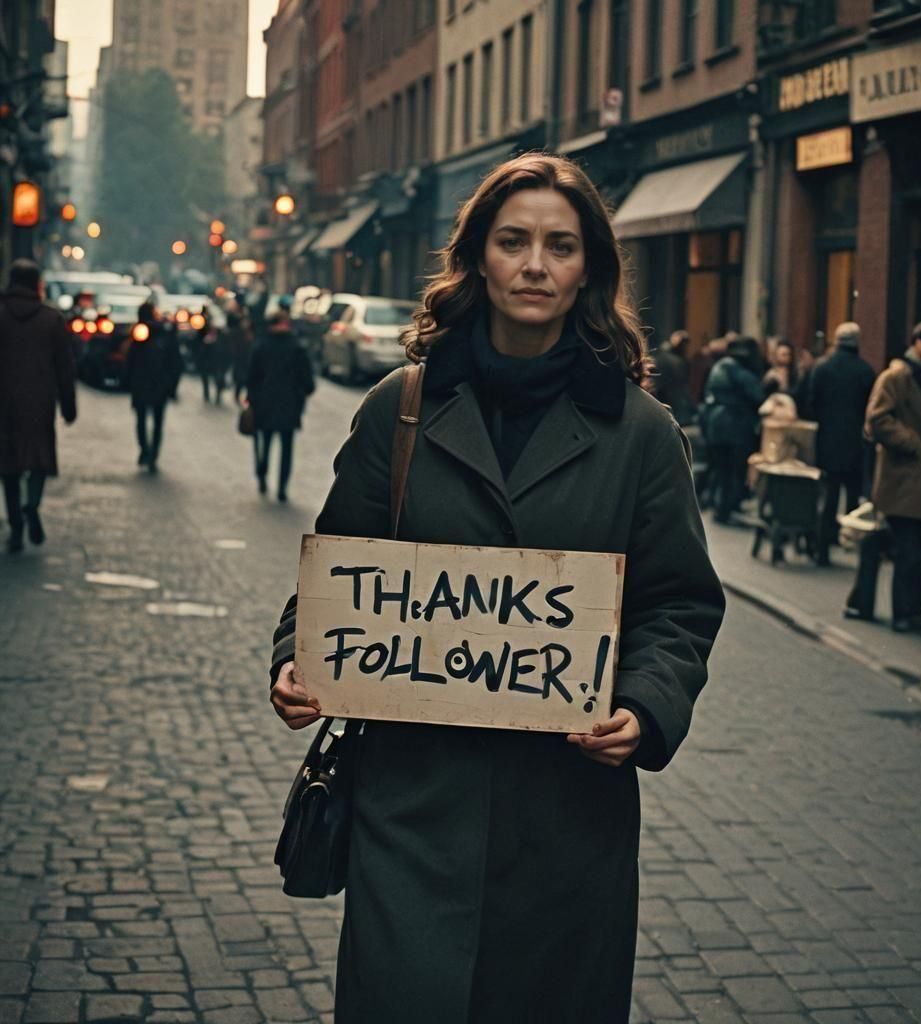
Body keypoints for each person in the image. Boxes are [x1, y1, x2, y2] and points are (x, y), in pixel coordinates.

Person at [267, 154, 725, 1024]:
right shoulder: (398, 410)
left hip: (566, 822)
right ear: (479, 257)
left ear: (589, 265)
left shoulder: (642, 435)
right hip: (412, 813)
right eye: (514, 241)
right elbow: (333, 577)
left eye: (560, 244)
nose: (536, 264)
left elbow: (679, 602)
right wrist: (298, 662)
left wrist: (647, 703)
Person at [846, 320, 921, 631]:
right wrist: (912, 443)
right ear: (917, 343)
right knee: (908, 550)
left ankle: (873, 604)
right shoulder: (898, 376)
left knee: (910, 546)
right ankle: (906, 613)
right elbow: (876, 418)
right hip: (902, 480)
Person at [0, 259, 77, 553]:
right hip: (39, 401)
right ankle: (31, 504)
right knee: (38, 460)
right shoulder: (51, 320)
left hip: (4, 403)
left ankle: (16, 524)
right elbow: (65, 367)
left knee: (9, 467)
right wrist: (68, 404)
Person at [807, 322, 876, 565]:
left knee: (829, 497)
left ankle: (823, 549)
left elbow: (811, 403)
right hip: (855, 443)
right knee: (853, 496)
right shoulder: (865, 371)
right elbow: (871, 409)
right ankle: (850, 543)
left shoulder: (822, 368)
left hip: (827, 441)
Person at [245, 309, 314, 501]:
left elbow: (251, 377)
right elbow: (308, 383)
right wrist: (301, 393)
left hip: (264, 404)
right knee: (286, 449)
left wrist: (251, 398)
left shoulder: (260, 346)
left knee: (265, 442)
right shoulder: (297, 347)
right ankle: (282, 488)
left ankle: (262, 474)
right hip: (289, 406)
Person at [701, 335, 764, 523]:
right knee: (733, 470)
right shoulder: (738, 370)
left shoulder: (720, 366)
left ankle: (719, 506)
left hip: (715, 423)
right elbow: (758, 395)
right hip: (734, 425)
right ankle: (726, 508)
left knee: (721, 469)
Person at [124, 300, 182, 473]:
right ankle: (147, 451)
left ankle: (151, 453)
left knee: (150, 421)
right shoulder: (145, 334)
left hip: (154, 384)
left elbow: (175, 361)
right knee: (148, 421)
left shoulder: (162, 334)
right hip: (148, 383)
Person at [650, 328, 695, 424]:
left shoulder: (662, 358)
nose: (685, 347)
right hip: (672, 401)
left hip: (668, 402)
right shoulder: (675, 360)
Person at [194, 305, 228, 404]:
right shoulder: (203, 323)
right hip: (206, 353)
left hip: (217, 354)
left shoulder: (221, 327)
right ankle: (206, 394)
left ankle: (217, 395)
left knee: (218, 375)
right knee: (205, 374)